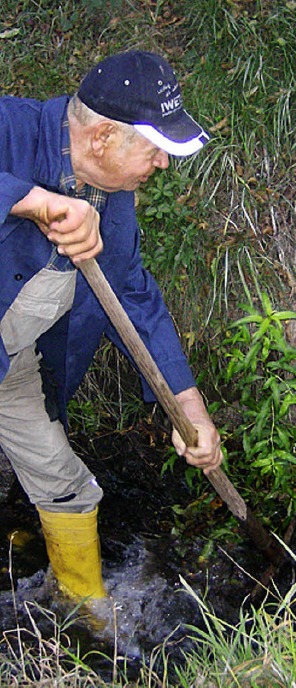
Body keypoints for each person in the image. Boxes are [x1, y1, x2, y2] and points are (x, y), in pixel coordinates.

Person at [0, 51, 223, 602]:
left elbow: (137, 300)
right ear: (101, 137)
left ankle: (87, 618)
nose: (163, 165)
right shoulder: (11, 129)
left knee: (68, 489)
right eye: (155, 149)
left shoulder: (115, 202)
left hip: (11, 368)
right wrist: (32, 202)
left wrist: (190, 409)